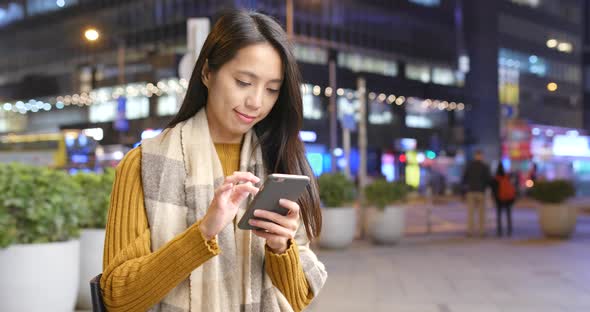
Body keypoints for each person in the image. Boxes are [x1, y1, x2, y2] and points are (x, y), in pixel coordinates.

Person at [100, 10, 327, 312]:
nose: (256, 102)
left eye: (272, 89)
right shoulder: (144, 164)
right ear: (207, 73)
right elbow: (118, 297)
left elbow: (299, 299)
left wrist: (279, 247)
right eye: (244, 82)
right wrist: (204, 232)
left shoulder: (279, 162)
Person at [461, 150, 492, 237]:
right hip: (480, 192)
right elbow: (488, 180)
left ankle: (470, 231)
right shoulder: (484, 166)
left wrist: (463, 192)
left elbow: (464, 179)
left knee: (471, 213)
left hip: (471, 191)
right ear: (481, 156)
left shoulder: (470, 166)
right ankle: (481, 231)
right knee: (481, 214)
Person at [491, 163, 516, 237]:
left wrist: (494, 197)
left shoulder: (495, 178)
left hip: (499, 199)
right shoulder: (507, 176)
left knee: (499, 214)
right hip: (507, 199)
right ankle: (509, 229)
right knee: (508, 214)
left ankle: (499, 230)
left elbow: (493, 189)